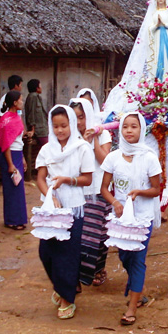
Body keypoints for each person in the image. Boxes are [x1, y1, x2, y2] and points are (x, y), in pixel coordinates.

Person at [100, 113, 162, 326]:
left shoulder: (149, 157)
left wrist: (139, 192)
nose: (128, 130)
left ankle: (132, 307)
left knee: (137, 260)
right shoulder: (113, 157)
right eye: (125, 126)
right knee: (125, 257)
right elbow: (104, 188)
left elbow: (156, 189)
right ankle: (139, 290)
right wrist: (115, 203)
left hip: (142, 218)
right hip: (121, 219)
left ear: (141, 129)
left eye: (133, 126)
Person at [35, 105, 94, 320]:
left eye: (64, 125)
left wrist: (67, 180)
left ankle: (67, 298)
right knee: (46, 252)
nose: (59, 130)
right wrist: (50, 196)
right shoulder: (47, 149)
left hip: (73, 207)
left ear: (71, 124)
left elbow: (87, 178)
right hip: (50, 208)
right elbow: (41, 178)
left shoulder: (82, 148)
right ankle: (61, 285)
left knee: (67, 255)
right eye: (56, 126)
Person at [69, 98, 112, 288]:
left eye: (82, 117)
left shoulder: (103, 134)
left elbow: (106, 162)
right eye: (75, 117)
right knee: (81, 234)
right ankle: (78, 277)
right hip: (77, 190)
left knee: (100, 234)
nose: (79, 122)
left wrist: (92, 140)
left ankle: (98, 268)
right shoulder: (68, 137)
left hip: (99, 189)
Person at [0, 91, 28, 230]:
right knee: (13, 188)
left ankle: (16, 218)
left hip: (16, 155)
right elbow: (6, 144)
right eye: (20, 100)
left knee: (17, 188)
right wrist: (10, 164)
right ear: (15, 103)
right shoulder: (9, 120)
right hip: (10, 156)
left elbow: (17, 141)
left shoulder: (13, 118)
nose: (22, 102)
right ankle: (12, 220)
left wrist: (23, 158)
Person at [25, 79, 49, 148]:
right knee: (47, 148)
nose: (41, 88)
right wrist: (32, 130)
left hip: (42, 129)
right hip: (39, 130)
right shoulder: (33, 97)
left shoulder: (37, 97)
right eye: (40, 86)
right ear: (37, 88)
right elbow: (31, 114)